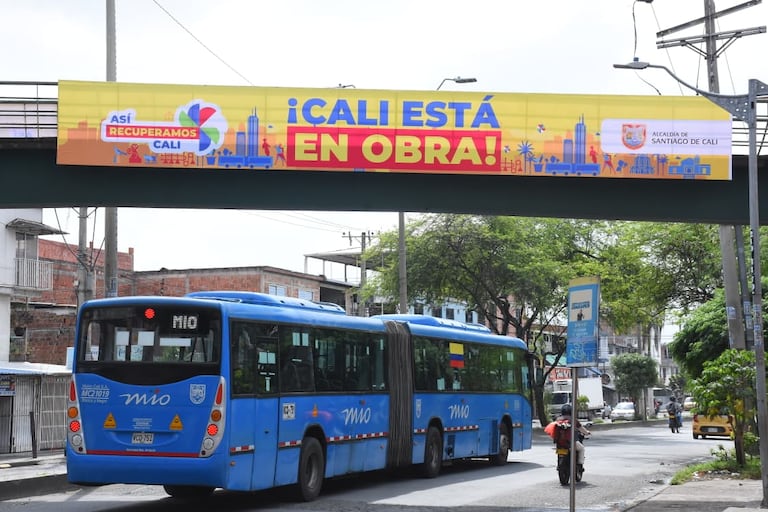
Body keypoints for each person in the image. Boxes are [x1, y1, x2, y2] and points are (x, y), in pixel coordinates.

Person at [553, 404, 591, 468]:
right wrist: (587, 433)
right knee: (581, 449)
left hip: (559, 443)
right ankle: (579, 465)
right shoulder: (573, 420)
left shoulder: (558, 420)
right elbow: (581, 429)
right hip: (571, 443)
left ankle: (559, 465)